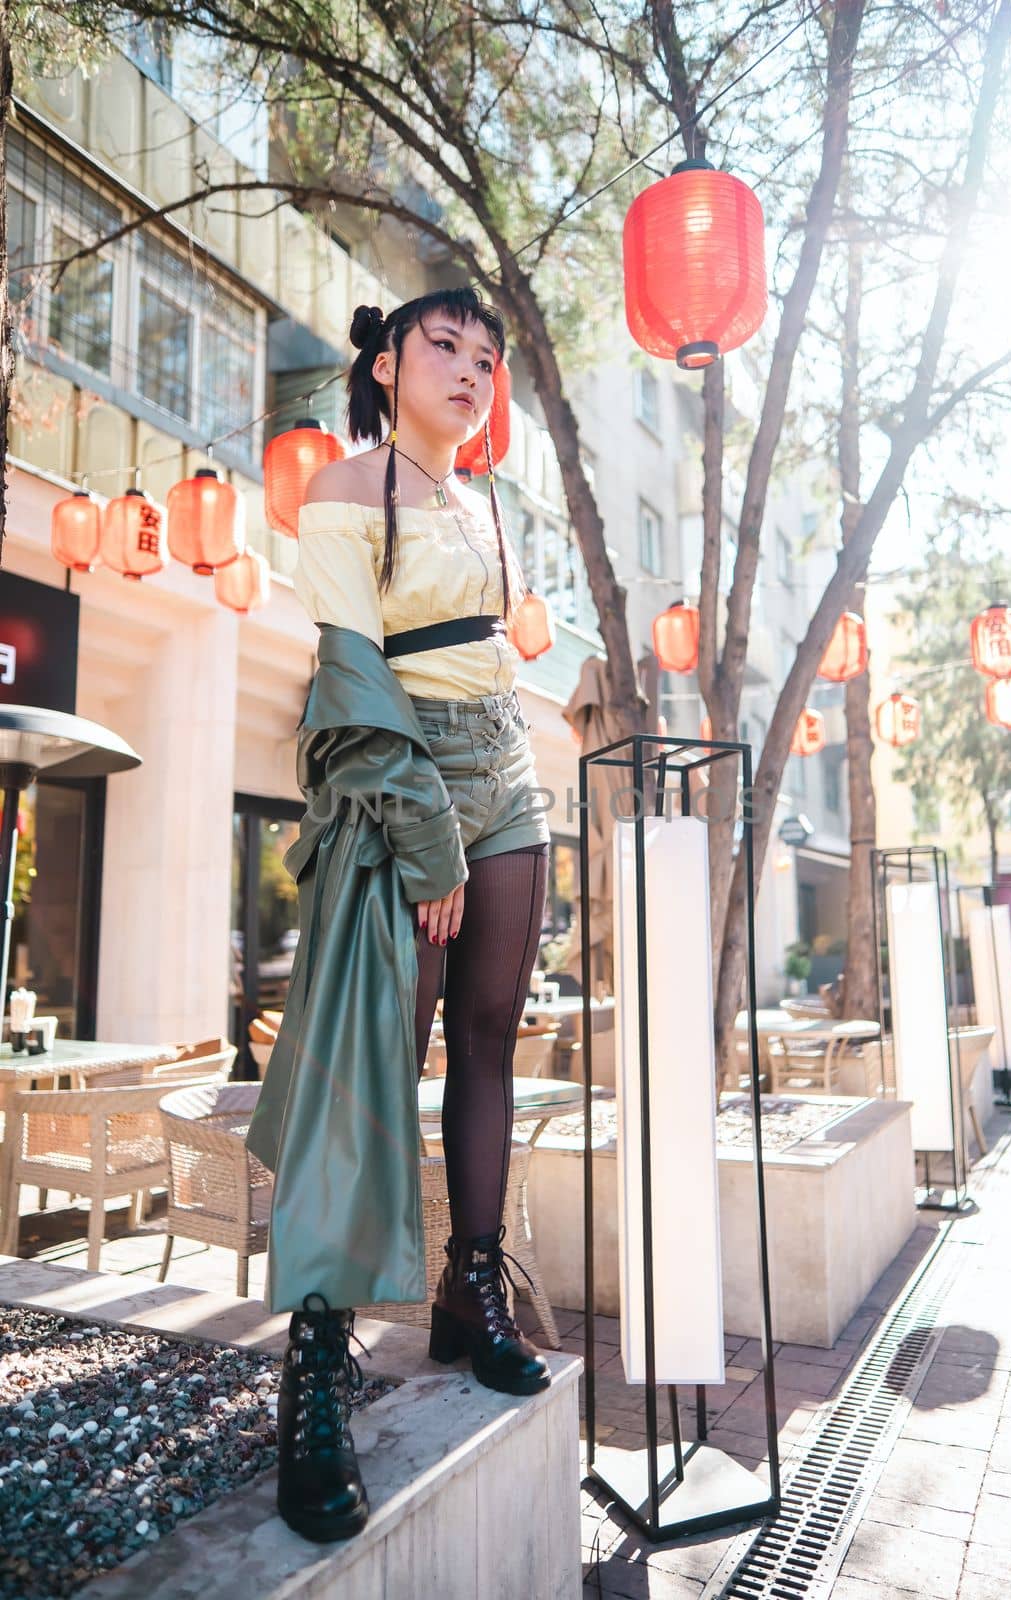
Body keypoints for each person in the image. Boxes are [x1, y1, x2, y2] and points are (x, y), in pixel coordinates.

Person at [245, 287, 553, 1544]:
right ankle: (315, 1363)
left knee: (490, 1034)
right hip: (395, 772)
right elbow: (353, 668)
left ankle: (468, 1292)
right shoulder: (339, 489)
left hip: (508, 772)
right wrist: (428, 838)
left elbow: (494, 657)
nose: (473, 369)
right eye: (447, 347)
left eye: (488, 358)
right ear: (385, 364)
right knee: (378, 1053)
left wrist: (494, 788)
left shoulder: (485, 504)